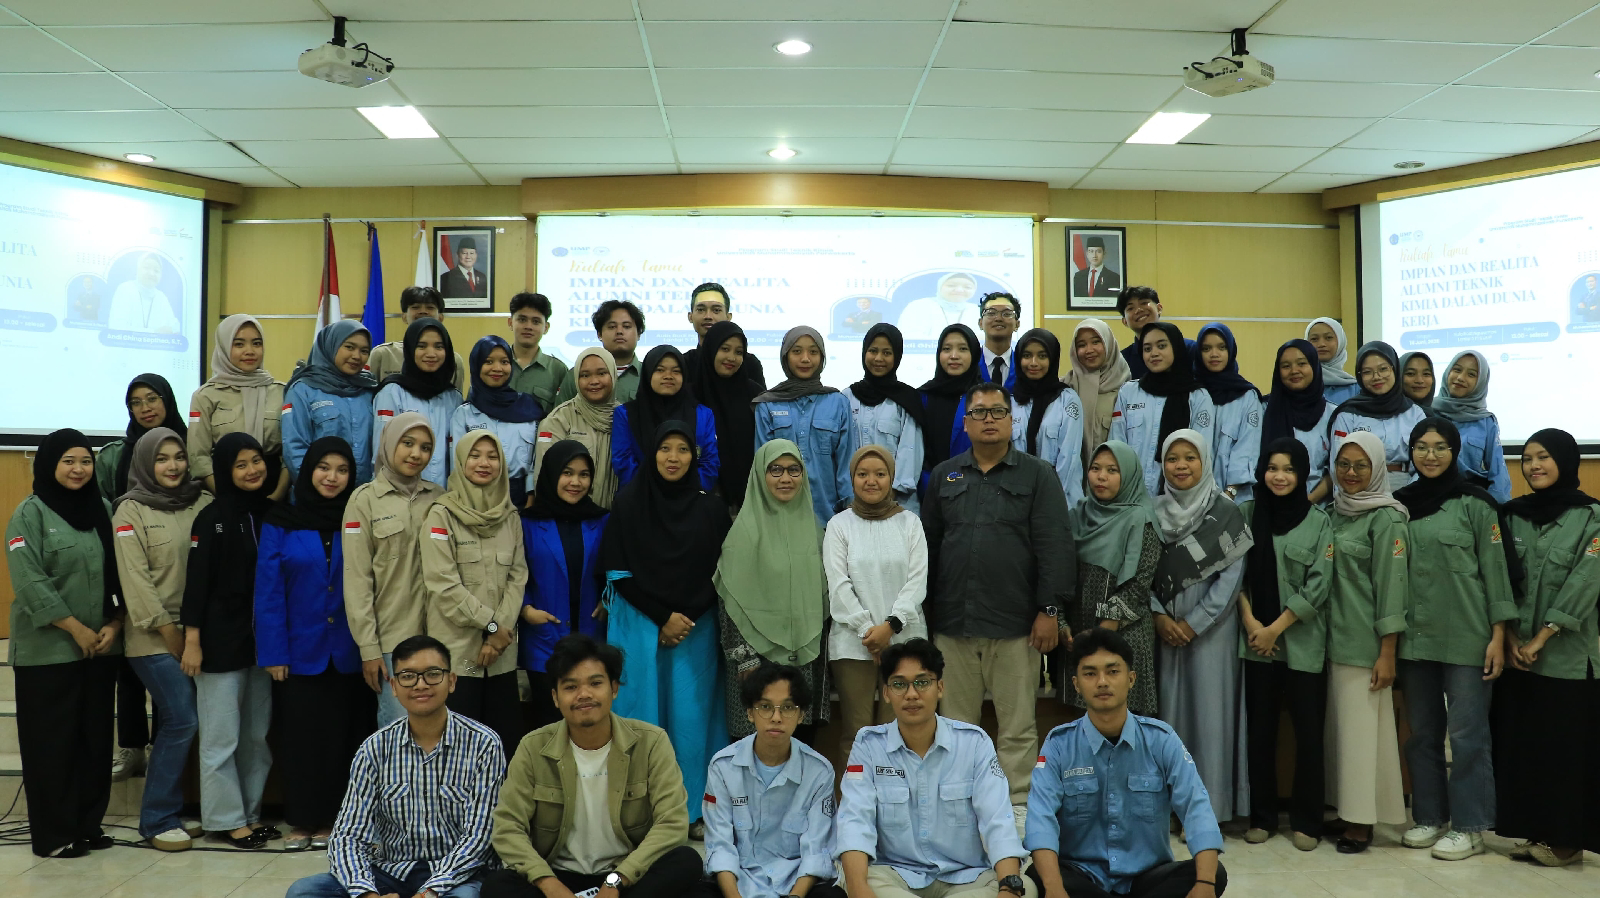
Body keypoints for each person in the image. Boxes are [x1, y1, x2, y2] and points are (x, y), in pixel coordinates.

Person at [923, 383, 1073, 806]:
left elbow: (1055, 546)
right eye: (979, 412)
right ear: (966, 423)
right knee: (955, 730)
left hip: (1016, 625)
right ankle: (958, 809)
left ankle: (1017, 810)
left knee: (1018, 728)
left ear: (1011, 421)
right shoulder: (944, 475)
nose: (988, 419)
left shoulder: (1037, 474)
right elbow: (928, 549)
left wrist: (1049, 610)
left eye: (997, 412)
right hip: (953, 624)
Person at [482, 634, 704, 898]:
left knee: (686, 861)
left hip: (626, 875)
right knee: (496, 887)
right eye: (570, 687)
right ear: (555, 697)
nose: (584, 694)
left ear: (614, 688)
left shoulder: (651, 742)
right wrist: (549, 884)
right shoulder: (533, 747)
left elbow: (672, 823)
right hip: (559, 877)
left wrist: (615, 881)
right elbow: (508, 827)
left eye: (595, 683)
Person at [285, 635, 504, 898]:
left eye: (433, 674)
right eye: (408, 676)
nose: (421, 684)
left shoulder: (483, 744)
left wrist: (429, 892)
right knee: (303, 892)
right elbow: (348, 835)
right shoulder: (374, 748)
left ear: (452, 681)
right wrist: (367, 894)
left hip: (457, 877)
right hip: (391, 872)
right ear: (394, 687)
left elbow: (479, 838)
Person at [1391, 418, 1515, 861]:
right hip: (1415, 637)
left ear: (1455, 451)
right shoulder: (1399, 506)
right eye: (1421, 447)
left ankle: (1470, 826)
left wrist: (1498, 636)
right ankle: (1429, 817)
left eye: (1440, 447)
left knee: (1467, 736)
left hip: (1468, 637)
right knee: (1422, 734)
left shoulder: (1477, 504)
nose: (1430, 455)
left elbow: (1497, 574)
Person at [1027, 628, 1227, 898]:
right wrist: (1054, 888)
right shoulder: (1058, 744)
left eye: (1112, 671)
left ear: (1131, 678)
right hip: (1083, 875)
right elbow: (1041, 818)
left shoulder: (1161, 739)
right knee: (1038, 876)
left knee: (1212, 874)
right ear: (1076, 684)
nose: (1102, 682)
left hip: (1147, 879)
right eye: (1090, 673)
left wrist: (1205, 883)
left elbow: (1196, 807)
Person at [600, 421, 731, 827]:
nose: (673, 458)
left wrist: (683, 619)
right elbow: (617, 571)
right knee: (640, 722)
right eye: (664, 449)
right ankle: (637, 816)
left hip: (695, 632)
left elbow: (722, 572)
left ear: (694, 457)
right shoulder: (629, 503)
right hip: (641, 630)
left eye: (683, 449)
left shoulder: (711, 508)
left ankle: (692, 813)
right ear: (651, 453)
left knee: (691, 725)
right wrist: (662, 618)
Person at [835, 639, 1034, 898]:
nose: (911, 694)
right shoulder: (868, 745)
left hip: (968, 877)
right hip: (897, 876)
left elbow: (997, 821)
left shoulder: (974, 743)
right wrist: (859, 889)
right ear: (886, 693)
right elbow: (854, 821)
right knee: (856, 879)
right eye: (899, 684)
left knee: (1023, 887)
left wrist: (1008, 889)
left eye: (922, 682)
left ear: (940, 688)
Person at [6, 429, 122, 858]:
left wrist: (116, 622)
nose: (78, 470)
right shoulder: (29, 514)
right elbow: (30, 581)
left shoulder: (103, 509)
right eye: (68, 461)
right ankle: (55, 835)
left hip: (100, 647)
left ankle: (87, 824)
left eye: (86, 461)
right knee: (51, 745)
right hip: (48, 652)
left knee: (94, 742)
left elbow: (118, 571)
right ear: (50, 464)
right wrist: (75, 628)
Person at [255, 436, 375, 851]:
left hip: (350, 651)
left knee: (345, 739)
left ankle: (337, 820)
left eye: (342, 470)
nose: (332, 477)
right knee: (300, 741)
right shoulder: (280, 520)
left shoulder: (357, 517)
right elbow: (268, 591)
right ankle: (303, 820)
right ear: (308, 471)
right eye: (324, 467)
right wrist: (274, 652)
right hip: (297, 653)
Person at [1493, 428, 1600, 868]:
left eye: (1544, 457)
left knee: (1566, 750)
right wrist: (1511, 636)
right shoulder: (1512, 515)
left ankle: (1567, 840)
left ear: (1565, 461)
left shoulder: (1591, 517)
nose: (1534, 465)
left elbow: (1585, 581)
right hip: (1518, 656)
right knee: (1525, 746)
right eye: (1527, 458)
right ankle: (1536, 831)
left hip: (1566, 657)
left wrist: (1542, 636)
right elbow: (1500, 578)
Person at [112, 427, 210, 852]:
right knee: (182, 718)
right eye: (162, 459)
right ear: (145, 463)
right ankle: (156, 819)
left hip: (197, 634)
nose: (173, 466)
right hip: (151, 638)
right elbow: (135, 582)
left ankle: (172, 809)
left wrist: (193, 635)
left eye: (179, 457)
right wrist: (172, 634)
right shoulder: (129, 511)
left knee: (181, 722)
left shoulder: (202, 503)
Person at [1148, 430, 1252, 826]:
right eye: (1172, 458)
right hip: (1164, 628)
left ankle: (1210, 809)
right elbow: (1141, 569)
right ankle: (1171, 808)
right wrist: (1159, 616)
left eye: (1190, 457)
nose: (1181, 466)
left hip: (1213, 630)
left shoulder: (1226, 512)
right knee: (1169, 718)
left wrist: (1194, 623)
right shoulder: (1151, 512)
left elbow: (1231, 578)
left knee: (1211, 718)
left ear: (1205, 461)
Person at [181, 433, 279, 849]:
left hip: (261, 644)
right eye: (240, 464)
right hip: (218, 644)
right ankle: (225, 820)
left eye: (256, 460)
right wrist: (192, 640)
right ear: (224, 470)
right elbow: (196, 584)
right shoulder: (211, 518)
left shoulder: (272, 513)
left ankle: (250, 815)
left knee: (256, 738)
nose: (252, 470)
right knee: (222, 738)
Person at [1236, 438, 1332, 850]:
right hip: (1255, 644)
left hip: (1302, 645)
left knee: (1308, 735)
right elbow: (1234, 577)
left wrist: (1275, 628)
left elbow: (1319, 584)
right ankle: (1262, 817)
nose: (1279, 476)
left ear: (1302, 474)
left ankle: (1307, 821)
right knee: (1260, 734)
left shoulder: (1318, 521)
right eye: (1272, 468)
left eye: (1289, 469)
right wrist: (1251, 623)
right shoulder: (1246, 514)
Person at [1323, 432, 1409, 852]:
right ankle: (1346, 810)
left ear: (1377, 469)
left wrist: (1387, 651)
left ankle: (1361, 822)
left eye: (1361, 466)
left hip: (1363, 645)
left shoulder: (1387, 519)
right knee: (1341, 737)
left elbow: (1393, 589)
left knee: (1361, 738)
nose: (1351, 473)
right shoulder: (1333, 513)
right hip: (1327, 640)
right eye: (1344, 465)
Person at [97, 373, 184, 782]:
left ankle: (161, 747)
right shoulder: (117, 454)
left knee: (174, 688)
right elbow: (102, 509)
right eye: (136, 402)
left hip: (172, 568)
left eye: (153, 398)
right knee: (129, 669)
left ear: (168, 400)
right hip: (126, 561)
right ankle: (131, 745)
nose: (146, 408)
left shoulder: (187, 445)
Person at [715, 440, 831, 742]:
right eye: (775, 470)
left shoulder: (816, 533)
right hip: (755, 662)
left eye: (794, 470)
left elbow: (824, 601)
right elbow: (729, 601)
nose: (785, 478)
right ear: (759, 475)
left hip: (804, 659)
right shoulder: (742, 533)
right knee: (755, 748)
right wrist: (745, 657)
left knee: (800, 745)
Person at [423, 431, 529, 757]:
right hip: (457, 656)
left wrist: (498, 636)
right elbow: (443, 584)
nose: (484, 463)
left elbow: (518, 576)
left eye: (492, 456)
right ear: (460, 460)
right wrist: (492, 626)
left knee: (503, 748)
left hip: (501, 657)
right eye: (475, 455)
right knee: (457, 752)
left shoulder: (510, 516)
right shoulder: (441, 514)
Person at [699, 664, 842, 898]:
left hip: (794, 881)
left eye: (787, 708)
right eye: (765, 707)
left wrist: (795, 897)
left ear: (801, 715)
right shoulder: (722, 766)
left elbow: (816, 850)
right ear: (750, 713)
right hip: (739, 879)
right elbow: (720, 846)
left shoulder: (819, 771)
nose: (776, 718)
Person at [824, 446, 929, 761]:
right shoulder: (839, 525)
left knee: (900, 731)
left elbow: (917, 581)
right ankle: (855, 794)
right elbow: (838, 585)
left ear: (891, 478)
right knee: (856, 734)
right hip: (853, 646)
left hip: (905, 642)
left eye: (880, 474)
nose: (871, 481)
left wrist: (890, 627)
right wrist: (868, 631)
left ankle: (898, 794)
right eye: (863, 474)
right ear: (852, 478)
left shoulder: (910, 523)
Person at [344, 412, 444, 726]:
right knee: (398, 731)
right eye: (407, 443)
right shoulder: (364, 501)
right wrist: (369, 648)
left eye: (425, 448)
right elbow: (357, 580)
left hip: (440, 638)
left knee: (437, 731)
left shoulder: (439, 498)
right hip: (392, 641)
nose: (416, 454)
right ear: (389, 444)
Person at [519, 440, 609, 729]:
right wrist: (525, 609)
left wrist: (608, 599)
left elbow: (616, 569)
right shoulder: (526, 523)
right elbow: (512, 574)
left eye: (584, 474)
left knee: (589, 725)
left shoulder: (602, 520)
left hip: (591, 638)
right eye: (567, 473)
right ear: (551, 474)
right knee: (548, 728)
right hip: (544, 639)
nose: (576, 482)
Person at [1067, 441, 1159, 718]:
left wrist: (1102, 633)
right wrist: (1063, 625)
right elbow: (1058, 570)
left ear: (1128, 475)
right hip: (1079, 634)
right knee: (1084, 721)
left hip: (1125, 636)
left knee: (1125, 719)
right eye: (1095, 468)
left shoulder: (1140, 518)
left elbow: (1139, 583)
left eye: (1112, 470)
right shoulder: (1078, 515)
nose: (1101, 477)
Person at [753, 327, 853, 526]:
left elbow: (846, 463)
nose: (805, 359)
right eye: (797, 351)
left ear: (822, 357)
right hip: (779, 518)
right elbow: (762, 465)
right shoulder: (768, 405)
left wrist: (850, 511)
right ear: (785, 356)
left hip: (829, 518)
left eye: (813, 352)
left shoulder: (838, 403)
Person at [1111, 323, 1216, 496]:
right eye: (1147, 348)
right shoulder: (1128, 392)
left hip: (1179, 498)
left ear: (1176, 347)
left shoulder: (1197, 396)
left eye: (1161, 346)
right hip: (1131, 495)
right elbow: (1117, 446)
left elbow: (1201, 454)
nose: (1154, 353)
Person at [188, 313, 287, 497]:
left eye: (256, 343)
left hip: (273, 490)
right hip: (222, 488)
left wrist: (277, 496)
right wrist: (226, 498)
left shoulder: (281, 392)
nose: (250, 351)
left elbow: (289, 453)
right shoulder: (205, 396)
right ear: (224, 347)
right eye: (239, 344)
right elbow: (198, 457)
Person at [451, 335, 543, 507]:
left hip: (520, 499)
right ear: (476, 365)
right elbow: (457, 465)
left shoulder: (528, 407)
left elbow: (535, 460)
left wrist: (531, 497)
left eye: (504, 362)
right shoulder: (464, 414)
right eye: (488, 361)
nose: (497, 368)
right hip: (475, 497)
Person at [283, 319, 378, 483]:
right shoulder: (303, 389)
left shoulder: (370, 389)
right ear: (331, 345)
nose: (357, 356)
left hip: (365, 493)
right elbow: (295, 448)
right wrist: (314, 489)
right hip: (320, 492)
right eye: (349, 347)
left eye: (364, 350)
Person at [844, 323, 925, 515]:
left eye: (887, 353)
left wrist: (888, 494)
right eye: (873, 351)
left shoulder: (907, 399)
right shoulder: (847, 397)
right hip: (854, 503)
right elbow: (841, 453)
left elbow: (910, 451)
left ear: (897, 356)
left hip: (896, 503)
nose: (878, 358)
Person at [613, 346, 720, 491]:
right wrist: (656, 492)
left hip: (691, 497)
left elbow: (709, 463)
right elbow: (623, 462)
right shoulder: (625, 413)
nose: (668, 376)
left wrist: (682, 492)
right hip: (641, 497)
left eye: (676, 371)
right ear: (648, 373)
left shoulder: (703, 414)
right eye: (660, 370)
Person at [375, 316, 464, 487]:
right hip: (399, 494)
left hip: (444, 495)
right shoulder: (392, 392)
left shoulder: (454, 397)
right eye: (421, 346)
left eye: (439, 346)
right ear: (409, 349)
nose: (431, 353)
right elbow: (381, 452)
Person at [1329, 341, 1425, 493]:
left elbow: (1423, 464)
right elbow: (1338, 467)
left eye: (1383, 369)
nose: (1377, 377)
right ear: (1359, 376)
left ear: (1395, 369)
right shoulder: (1347, 414)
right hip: (1359, 489)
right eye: (1367, 372)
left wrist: (1409, 496)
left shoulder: (1415, 413)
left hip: (1406, 487)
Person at [535, 347, 623, 508]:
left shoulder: (625, 419)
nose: (594, 381)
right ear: (576, 379)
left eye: (602, 373)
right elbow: (544, 479)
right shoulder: (558, 420)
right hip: (569, 516)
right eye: (585, 375)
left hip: (616, 517)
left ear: (613, 375)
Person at [1010, 327, 1086, 506]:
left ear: (1052, 359)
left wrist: (1046, 501)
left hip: (1061, 500)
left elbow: (1068, 458)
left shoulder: (1067, 399)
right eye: (1027, 355)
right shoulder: (1010, 401)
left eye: (1042, 356)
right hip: (1018, 500)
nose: (1033, 363)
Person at [692, 321, 764, 508]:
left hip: (749, 500)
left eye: (739, 352)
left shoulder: (755, 395)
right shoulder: (691, 394)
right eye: (725, 349)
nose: (732, 357)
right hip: (698, 499)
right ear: (711, 349)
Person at [1260, 340, 1336, 504]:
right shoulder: (1263, 409)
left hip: (1317, 507)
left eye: (1301, 364)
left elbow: (1336, 469)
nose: (1294, 371)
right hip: (1268, 505)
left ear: (1314, 366)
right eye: (1286, 366)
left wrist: (1307, 503)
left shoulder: (1333, 414)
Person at [1430, 350, 1511, 502]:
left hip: (1470, 500)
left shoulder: (1486, 422)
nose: (1461, 378)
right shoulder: (1428, 413)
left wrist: (1496, 507)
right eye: (1457, 370)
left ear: (1480, 382)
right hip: (1431, 497)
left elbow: (1498, 471)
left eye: (1471, 374)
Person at [1194, 323, 1261, 503]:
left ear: (1231, 350)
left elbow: (1248, 447)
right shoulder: (1191, 392)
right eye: (1206, 348)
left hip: (1236, 497)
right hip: (1193, 495)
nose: (1214, 354)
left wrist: (1230, 492)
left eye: (1221, 347)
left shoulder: (1247, 395)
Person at [917, 323, 983, 496]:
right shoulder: (923, 396)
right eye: (947, 349)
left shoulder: (985, 397)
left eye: (963, 349)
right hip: (930, 490)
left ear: (974, 354)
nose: (954, 356)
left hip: (977, 492)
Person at [369, 286, 469, 394]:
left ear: (440, 318)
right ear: (404, 317)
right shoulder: (383, 354)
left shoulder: (453, 360)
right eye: (415, 307)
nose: (423, 312)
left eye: (430, 307)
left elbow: (456, 398)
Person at [1063, 319, 1131, 466]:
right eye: (1081, 345)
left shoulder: (1128, 389)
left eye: (1096, 342)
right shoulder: (1065, 388)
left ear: (1109, 344)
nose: (1089, 350)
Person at [553, 300, 647, 406]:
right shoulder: (577, 374)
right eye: (612, 327)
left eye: (626, 326)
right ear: (599, 334)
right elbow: (560, 414)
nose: (619, 331)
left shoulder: (649, 375)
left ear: (639, 334)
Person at [682, 282, 766, 388]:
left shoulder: (748, 363)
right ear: (690, 317)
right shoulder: (683, 363)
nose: (708, 316)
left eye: (716, 310)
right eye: (701, 310)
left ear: (728, 317)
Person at [507, 292, 570, 411]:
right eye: (522, 319)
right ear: (510, 323)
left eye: (536, 322)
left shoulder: (558, 370)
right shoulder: (493, 364)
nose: (528, 326)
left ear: (546, 327)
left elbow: (565, 414)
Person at [1115, 287, 1192, 379]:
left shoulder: (1190, 349)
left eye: (1144, 303)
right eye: (1130, 308)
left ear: (1159, 308)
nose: (1138, 310)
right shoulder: (1122, 360)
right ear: (1125, 321)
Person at [106, 252, 179, 333]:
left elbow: (175, 327)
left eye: (156, 271)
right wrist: (154, 332)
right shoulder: (125, 289)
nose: (151, 273)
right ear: (138, 270)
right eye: (146, 268)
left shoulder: (161, 297)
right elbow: (116, 327)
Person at [896, 271, 982, 341]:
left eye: (967, 287)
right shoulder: (920, 306)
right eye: (951, 285)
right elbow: (909, 336)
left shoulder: (976, 310)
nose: (959, 290)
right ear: (940, 287)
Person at [1304, 318, 1360, 406]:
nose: (1321, 344)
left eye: (1329, 338)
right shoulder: (1298, 383)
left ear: (1340, 342)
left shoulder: (1356, 389)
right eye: (1314, 339)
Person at [978, 292, 1022, 389]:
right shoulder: (969, 365)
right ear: (980, 323)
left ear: (1017, 324)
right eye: (991, 313)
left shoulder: (1024, 367)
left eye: (1006, 314)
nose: (998, 318)